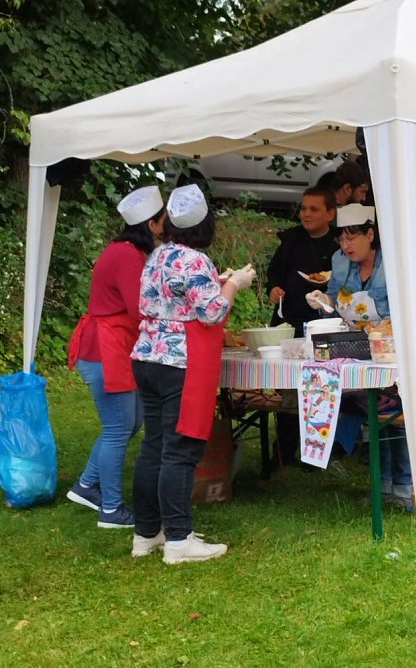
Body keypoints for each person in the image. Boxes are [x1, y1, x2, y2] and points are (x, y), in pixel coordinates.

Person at [130, 184, 257, 563]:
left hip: (147, 356)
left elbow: (177, 300)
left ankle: (147, 532)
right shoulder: (195, 260)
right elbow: (212, 312)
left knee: (154, 446)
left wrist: (219, 283)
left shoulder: (157, 256)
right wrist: (235, 284)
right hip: (179, 361)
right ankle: (180, 539)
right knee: (180, 450)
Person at [67, 186, 166, 528]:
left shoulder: (127, 251)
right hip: (105, 349)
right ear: (152, 225)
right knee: (117, 428)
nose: (165, 226)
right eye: (163, 221)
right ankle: (111, 509)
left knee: (129, 423)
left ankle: (86, 485)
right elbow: (139, 307)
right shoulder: (126, 255)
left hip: (112, 346)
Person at [306, 203, 412, 509]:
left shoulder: (394, 261)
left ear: (371, 233)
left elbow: (407, 306)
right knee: (372, 413)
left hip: (393, 346)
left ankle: (404, 488)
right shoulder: (340, 262)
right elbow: (337, 297)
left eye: (352, 237)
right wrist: (322, 299)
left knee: (397, 414)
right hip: (356, 348)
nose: (345, 245)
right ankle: (382, 487)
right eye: (341, 238)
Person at [265, 186, 338, 465]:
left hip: (322, 325)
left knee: (318, 389)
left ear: (330, 213)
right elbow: (274, 274)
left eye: (314, 209)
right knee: (287, 390)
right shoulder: (290, 240)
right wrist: (274, 288)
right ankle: (283, 451)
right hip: (288, 322)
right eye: (304, 208)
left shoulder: (337, 245)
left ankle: (316, 453)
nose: (306, 213)